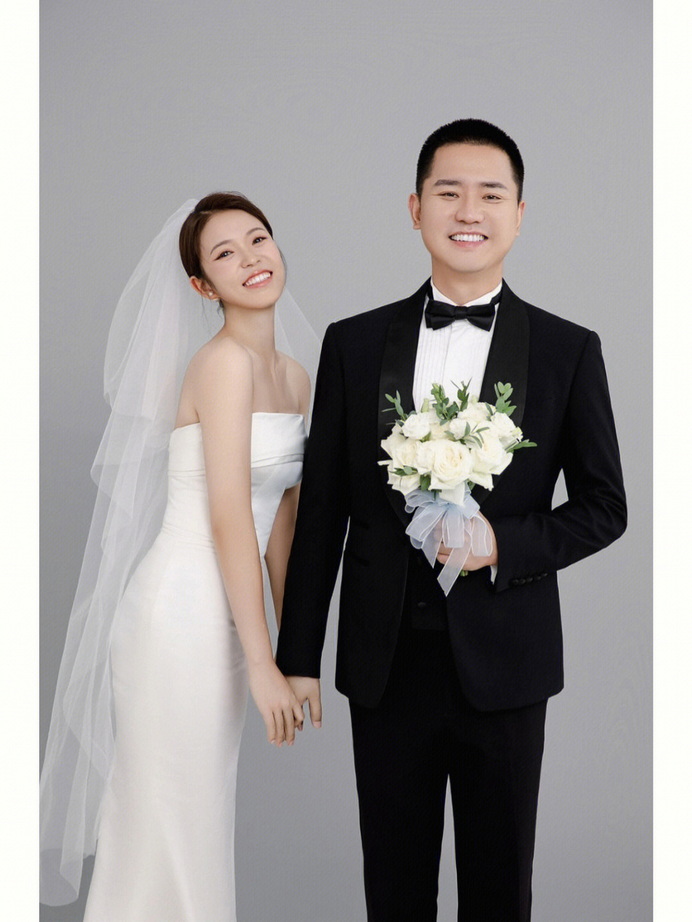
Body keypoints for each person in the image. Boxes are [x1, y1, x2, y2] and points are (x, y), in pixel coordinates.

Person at [276, 119, 627, 921]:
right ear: (415, 208)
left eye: (490, 195)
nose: (469, 211)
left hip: (507, 664)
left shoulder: (569, 350)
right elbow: (323, 511)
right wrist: (297, 656)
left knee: (500, 890)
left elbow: (606, 507)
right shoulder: (353, 344)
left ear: (519, 214)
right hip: (384, 660)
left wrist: (502, 542)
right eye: (449, 192)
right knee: (394, 889)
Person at [40, 192, 316, 920]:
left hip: (232, 619)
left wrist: (296, 650)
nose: (251, 258)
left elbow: (282, 522)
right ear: (202, 286)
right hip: (179, 615)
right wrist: (262, 661)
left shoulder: (294, 376)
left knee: (200, 812)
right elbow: (229, 515)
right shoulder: (221, 364)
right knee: (171, 815)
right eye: (226, 253)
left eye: (258, 239)